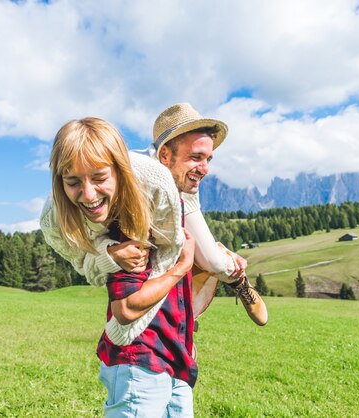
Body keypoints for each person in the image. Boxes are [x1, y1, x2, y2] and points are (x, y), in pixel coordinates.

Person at [41, 117, 198, 416]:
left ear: (119, 170)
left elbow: (170, 254)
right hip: (141, 353)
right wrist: (109, 254)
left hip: (169, 345)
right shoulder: (53, 218)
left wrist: (180, 340)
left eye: (99, 177)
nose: (87, 195)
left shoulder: (155, 184)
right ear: (59, 180)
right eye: (73, 182)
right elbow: (86, 266)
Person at [113, 102, 268, 326]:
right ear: (164, 155)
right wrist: (107, 252)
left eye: (208, 159)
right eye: (196, 157)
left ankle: (238, 281)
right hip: (144, 214)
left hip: (181, 200)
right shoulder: (135, 169)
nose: (205, 169)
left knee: (213, 262)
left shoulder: (185, 179)